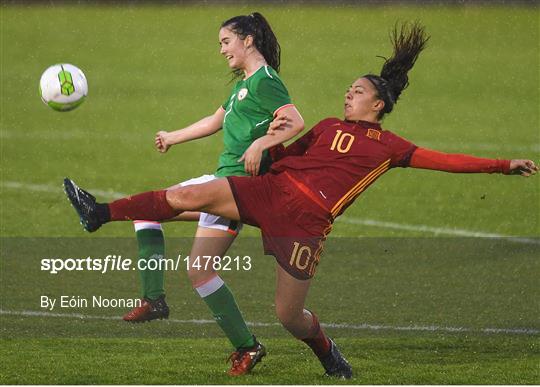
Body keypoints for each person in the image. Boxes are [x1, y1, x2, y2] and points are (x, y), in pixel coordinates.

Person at [63, 22, 537, 378]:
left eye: (358, 92)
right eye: (349, 89)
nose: (349, 94)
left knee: (289, 316)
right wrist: (262, 146)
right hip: (270, 192)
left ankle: (326, 350)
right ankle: (98, 213)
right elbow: (289, 151)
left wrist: (501, 164)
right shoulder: (330, 126)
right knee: (185, 194)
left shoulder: (390, 147)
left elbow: (447, 160)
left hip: (305, 223)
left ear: (378, 105)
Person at [121, 12, 304, 376]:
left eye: (226, 41)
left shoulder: (266, 81)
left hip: (236, 188)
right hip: (221, 181)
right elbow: (214, 120)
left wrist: (261, 144)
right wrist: (173, 136)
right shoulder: (243, 84)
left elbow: (296, 120)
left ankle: (245, 346)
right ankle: (157, 301)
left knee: (197, 267)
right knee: (149, 215)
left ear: (248, 39)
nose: (222, 50)